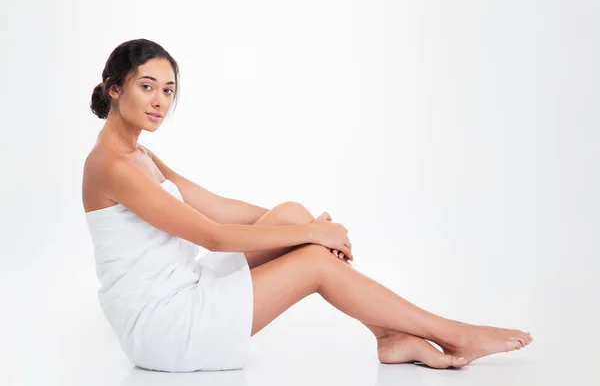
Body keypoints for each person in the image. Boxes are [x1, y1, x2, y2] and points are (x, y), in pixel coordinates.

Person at [83, 38, 532, 372]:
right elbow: (213, 236)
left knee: (292, 212)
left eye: (168, 90)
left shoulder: (140, 155)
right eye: (148, 87)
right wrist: (311, 239)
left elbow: (217, 207)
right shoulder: (110, 167)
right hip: (165, 328)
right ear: (116, 89)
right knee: (315, 262)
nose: (160, 101)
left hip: (185, 290)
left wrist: (300, 228)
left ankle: (391, 336)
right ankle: (453, 334)